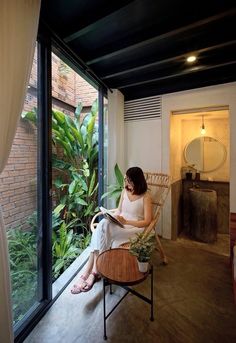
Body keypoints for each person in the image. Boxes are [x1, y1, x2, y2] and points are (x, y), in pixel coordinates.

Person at [71, 166, 153, 294]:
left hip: (135, 228)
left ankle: (90, 272)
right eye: (126, 179)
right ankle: (94, 271)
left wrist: (127, 222)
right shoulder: (124, 191)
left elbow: (147, 221)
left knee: (100, 230)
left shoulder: (146, 197)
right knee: (104, 224)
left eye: (129, 181)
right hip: (121, 223)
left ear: (137, 181)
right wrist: (112, 217)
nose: (126, 183)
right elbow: (119, 210)